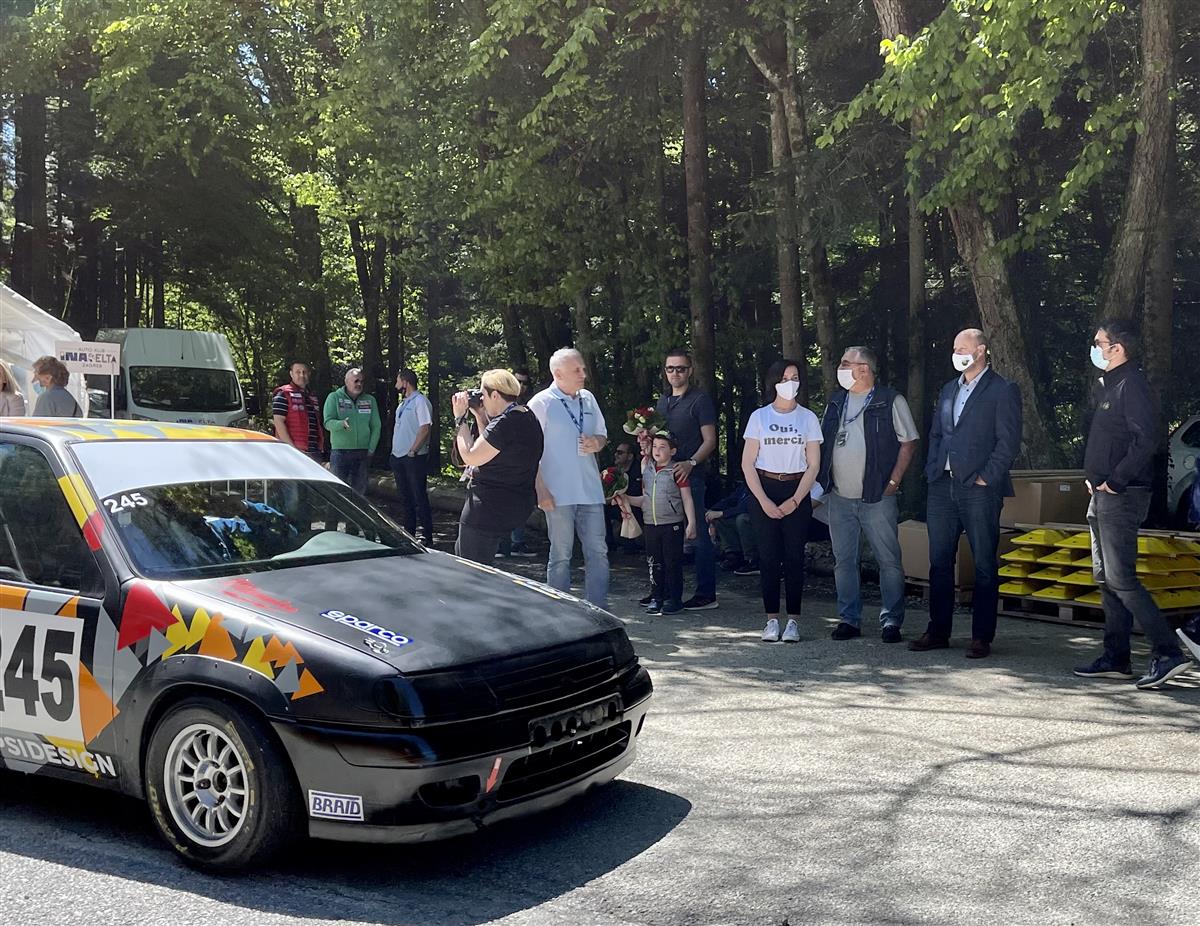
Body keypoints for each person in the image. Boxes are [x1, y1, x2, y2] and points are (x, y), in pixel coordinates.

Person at [1073, 320, 1195, 689]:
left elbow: (1147, 440)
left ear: (1118, 348)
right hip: (1101, 494)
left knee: (1121, 578)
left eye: (1099, 343)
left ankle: (1168, 652)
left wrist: (1115, 480)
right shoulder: (1109, 385)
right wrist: (1095, 478)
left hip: (1121, 496)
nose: (1094, 348)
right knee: (1105, 577)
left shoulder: (1132, 385)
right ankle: (1116, 657)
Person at [913, 329, 1022, 659]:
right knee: (939, 561)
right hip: (942, 485)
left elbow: (1008, 442)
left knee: (984, 562)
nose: (957, 353)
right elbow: (936, 434)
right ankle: (938, 631)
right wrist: (933, 468)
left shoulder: (1003, 389)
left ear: (981, 350)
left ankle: (981, 637)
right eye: (955, 348)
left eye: (963, 348)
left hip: (978, 488)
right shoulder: (949, 389)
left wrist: (986, 478)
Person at [817, 346, 919, 644]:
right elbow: (823, 442)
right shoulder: (836, 401)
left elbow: (909, 441)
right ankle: (849, 620)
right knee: (843, 561)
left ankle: (891, 621)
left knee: (888, 560)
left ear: (864, 369)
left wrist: (894, 481)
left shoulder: (890, 400)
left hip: (877, 497)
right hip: (839, 497)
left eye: (846, 363)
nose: (841, 368)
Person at [742, 359, 823, 643]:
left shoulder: (808, 418)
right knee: (768, 557)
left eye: (795, 377)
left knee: (793, 557)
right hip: (764, 488)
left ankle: (793, 622)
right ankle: (771, 620)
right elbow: (747, 463)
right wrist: (763, 500)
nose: (791, 383)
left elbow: (813, 465)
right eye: (785, 378)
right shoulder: (759, 417)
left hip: (796, 488)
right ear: (774, 382)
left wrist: (797, 500)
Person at [527, 348, 610, 609]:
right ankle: (559, 611)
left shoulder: (588, 399)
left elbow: (602, 435)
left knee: (598, 552)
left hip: (590, 490)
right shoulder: (541, 403)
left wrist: (597, 443)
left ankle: (598, 608)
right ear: (558, 374)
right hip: (557, 493)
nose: (583, 374)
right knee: (561, 555)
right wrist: (540, 489)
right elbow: (529, 451)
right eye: (577, 370)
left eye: (583, 369)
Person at [647, 349, 719, 610]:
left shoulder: (700, 400)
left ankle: (706, 593)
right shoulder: (663, 401)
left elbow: (710, 440)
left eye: (680, 368)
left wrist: (691, 463)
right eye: (670, 368)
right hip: (663, 478)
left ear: (690, 371)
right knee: (663, 536)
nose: (675, 373)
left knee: (697, 534)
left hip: (691, 476)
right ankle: (662, 591)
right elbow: (658, 438)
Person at [451, 369, 544, 564]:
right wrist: (480, 416)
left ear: (495, 395)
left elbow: (471, 456)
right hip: (514, 505)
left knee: (470, 569)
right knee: (473, 562)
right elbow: (491, 449)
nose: (482, 400)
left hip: (486, 509)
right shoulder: (527, 416)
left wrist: (460, 419)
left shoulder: (504, 424)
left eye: (483, 395)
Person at [618, 433, 697, 615]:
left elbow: (687, 498)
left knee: (672, 562)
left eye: (662, 447)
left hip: (671, 524)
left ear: (672, 451)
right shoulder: (647, 469)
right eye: (655, 446)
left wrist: (691, 522)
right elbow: (645, 499)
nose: (657, 451)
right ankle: (657, 597)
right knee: (654, 563)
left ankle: (674, 599)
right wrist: (625, 497)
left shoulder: (676, 470)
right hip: (650, 524)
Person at [390, 368, 434, 544]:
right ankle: (409, 533)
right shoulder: (403, 404)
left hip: (413, 458)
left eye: (397, 381)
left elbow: (425, 427)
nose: (395, 385)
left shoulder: (420, 401)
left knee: (418, 496)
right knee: (405, 497)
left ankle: (426, 534)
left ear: (405, 382)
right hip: (398, 456)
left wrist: (413, 450)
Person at [323, 367, 381, 496]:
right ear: (347, 381)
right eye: (356, 381)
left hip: (362, 453)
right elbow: (327, 422)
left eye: (361, 381)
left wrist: (371, 449)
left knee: (359, 492)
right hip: (340, 452)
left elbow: (376, 426)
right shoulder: (334, 397)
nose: (359, 384)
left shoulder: (370, 400)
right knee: (338, 492)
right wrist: (340, 424)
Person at [271, 361, 324, 461]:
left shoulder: (311, 396)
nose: (302, 375)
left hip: (314, 450)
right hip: (292, 451)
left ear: (309, 374)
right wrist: (291, 448)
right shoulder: (283, 393)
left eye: (304, 372)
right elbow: (278, 422)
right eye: (298, 372)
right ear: (291, 374)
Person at [706, 481, 758, 575]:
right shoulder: (744, 486)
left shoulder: (761, 484)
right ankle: (733, 555)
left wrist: (722, 513)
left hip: (758, 523)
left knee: (742, 519)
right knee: (720, 519)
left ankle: (753, 560)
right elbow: (730, 499)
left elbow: (747, 506)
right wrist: (713, 510)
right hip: (743, 521)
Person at [605, 439, 644, 553]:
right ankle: (610, 545)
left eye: (620, 452)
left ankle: (631, 545)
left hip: (638, 506)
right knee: (603, 509)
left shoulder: (640, 469)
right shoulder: (614, 471)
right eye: (616, 452)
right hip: (621, 504)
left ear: (630, 456)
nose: (616, 455)